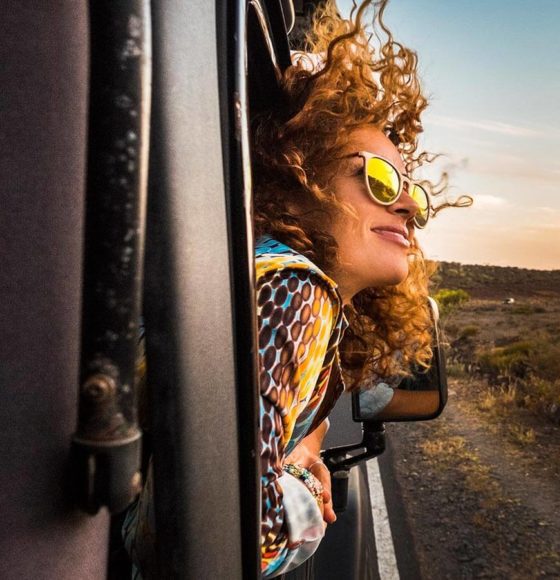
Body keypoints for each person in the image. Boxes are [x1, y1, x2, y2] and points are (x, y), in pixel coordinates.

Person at [123, 1, 468, 576]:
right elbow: (219, 534)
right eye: (380, 179)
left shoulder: (252, 280)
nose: (409, 205)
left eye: (413, 190)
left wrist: (299, 443)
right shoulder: (296, 291)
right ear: (296, 178)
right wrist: (304, 482)